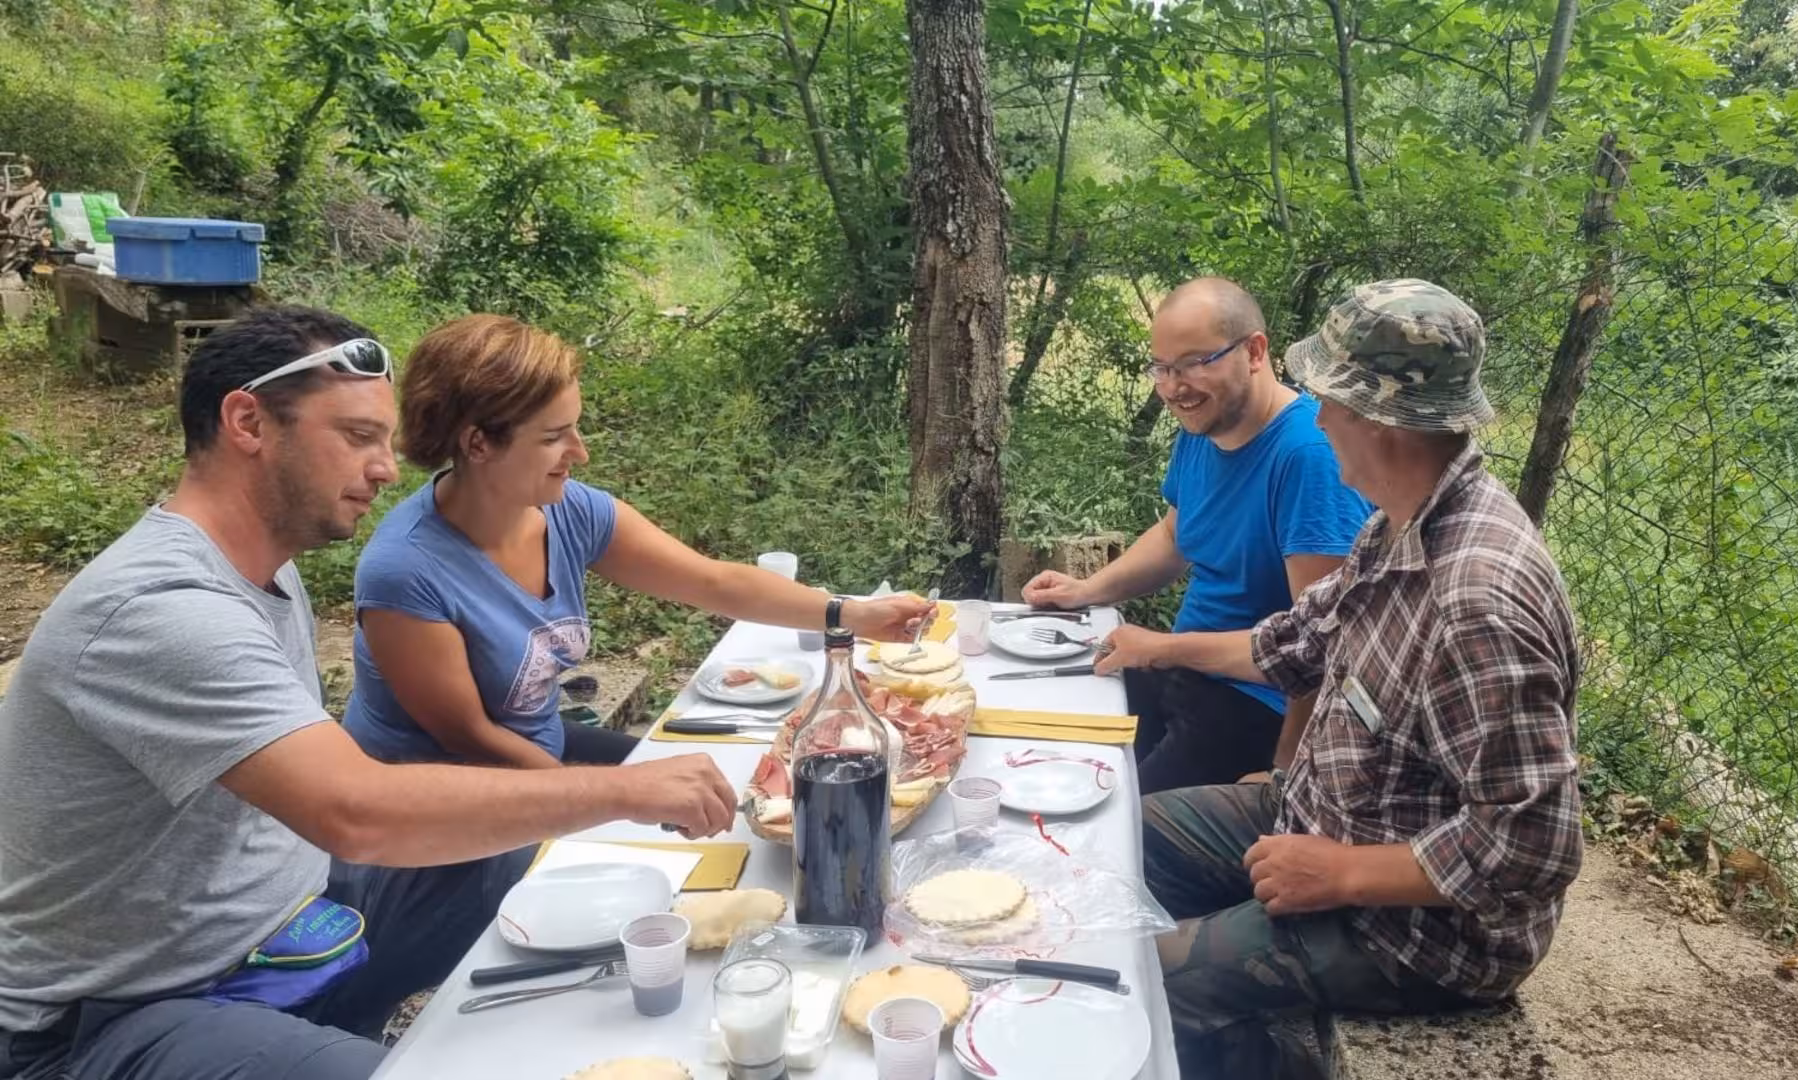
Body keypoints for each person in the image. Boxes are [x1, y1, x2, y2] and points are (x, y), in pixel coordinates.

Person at [0, 307, 745, 1080]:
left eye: (386, 440)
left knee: (527, 859)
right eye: (357, 437)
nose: (389, 469)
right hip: (128, 1013)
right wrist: (621, 791)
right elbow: (355, 813)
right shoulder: (162, 609)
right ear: (248, 422)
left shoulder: (265, 574)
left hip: (291, 925)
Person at [1120, 280, 1583, 1079]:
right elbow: (1295, 643)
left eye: (1330, 397)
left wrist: (1340, 873)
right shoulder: (1395, 524)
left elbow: (1533, 847)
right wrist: (1157, 649)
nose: (1317, 416)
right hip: (1316, 811)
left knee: (1145, 978)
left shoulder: (1478, 601)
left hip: (1416, 931)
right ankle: (1235, 1039)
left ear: (1378, 419)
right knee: (1116, 840)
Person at [339, 314, 928, 768]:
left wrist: (851, 614)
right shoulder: (406, 572)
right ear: (477, 444)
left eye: (576, 427)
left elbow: (712, 581)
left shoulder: (570, 511)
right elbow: (471, 740)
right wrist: (616, 796)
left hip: (539, 757)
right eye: (554, 436)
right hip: (447, 813)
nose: (580, 452)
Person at [1022, 277, 1372, 793]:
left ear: (1254, 351)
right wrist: (1085, 591)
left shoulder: (1306, 458)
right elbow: (1175, 536)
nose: (1172, 386)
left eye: (1193, 363)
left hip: (1255, 705)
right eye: (1161, 367)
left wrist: (1285, 771)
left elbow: (1322, 648)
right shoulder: (1202, 427)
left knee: (1117, 821)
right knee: (1049, 752)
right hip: (1178, 672)